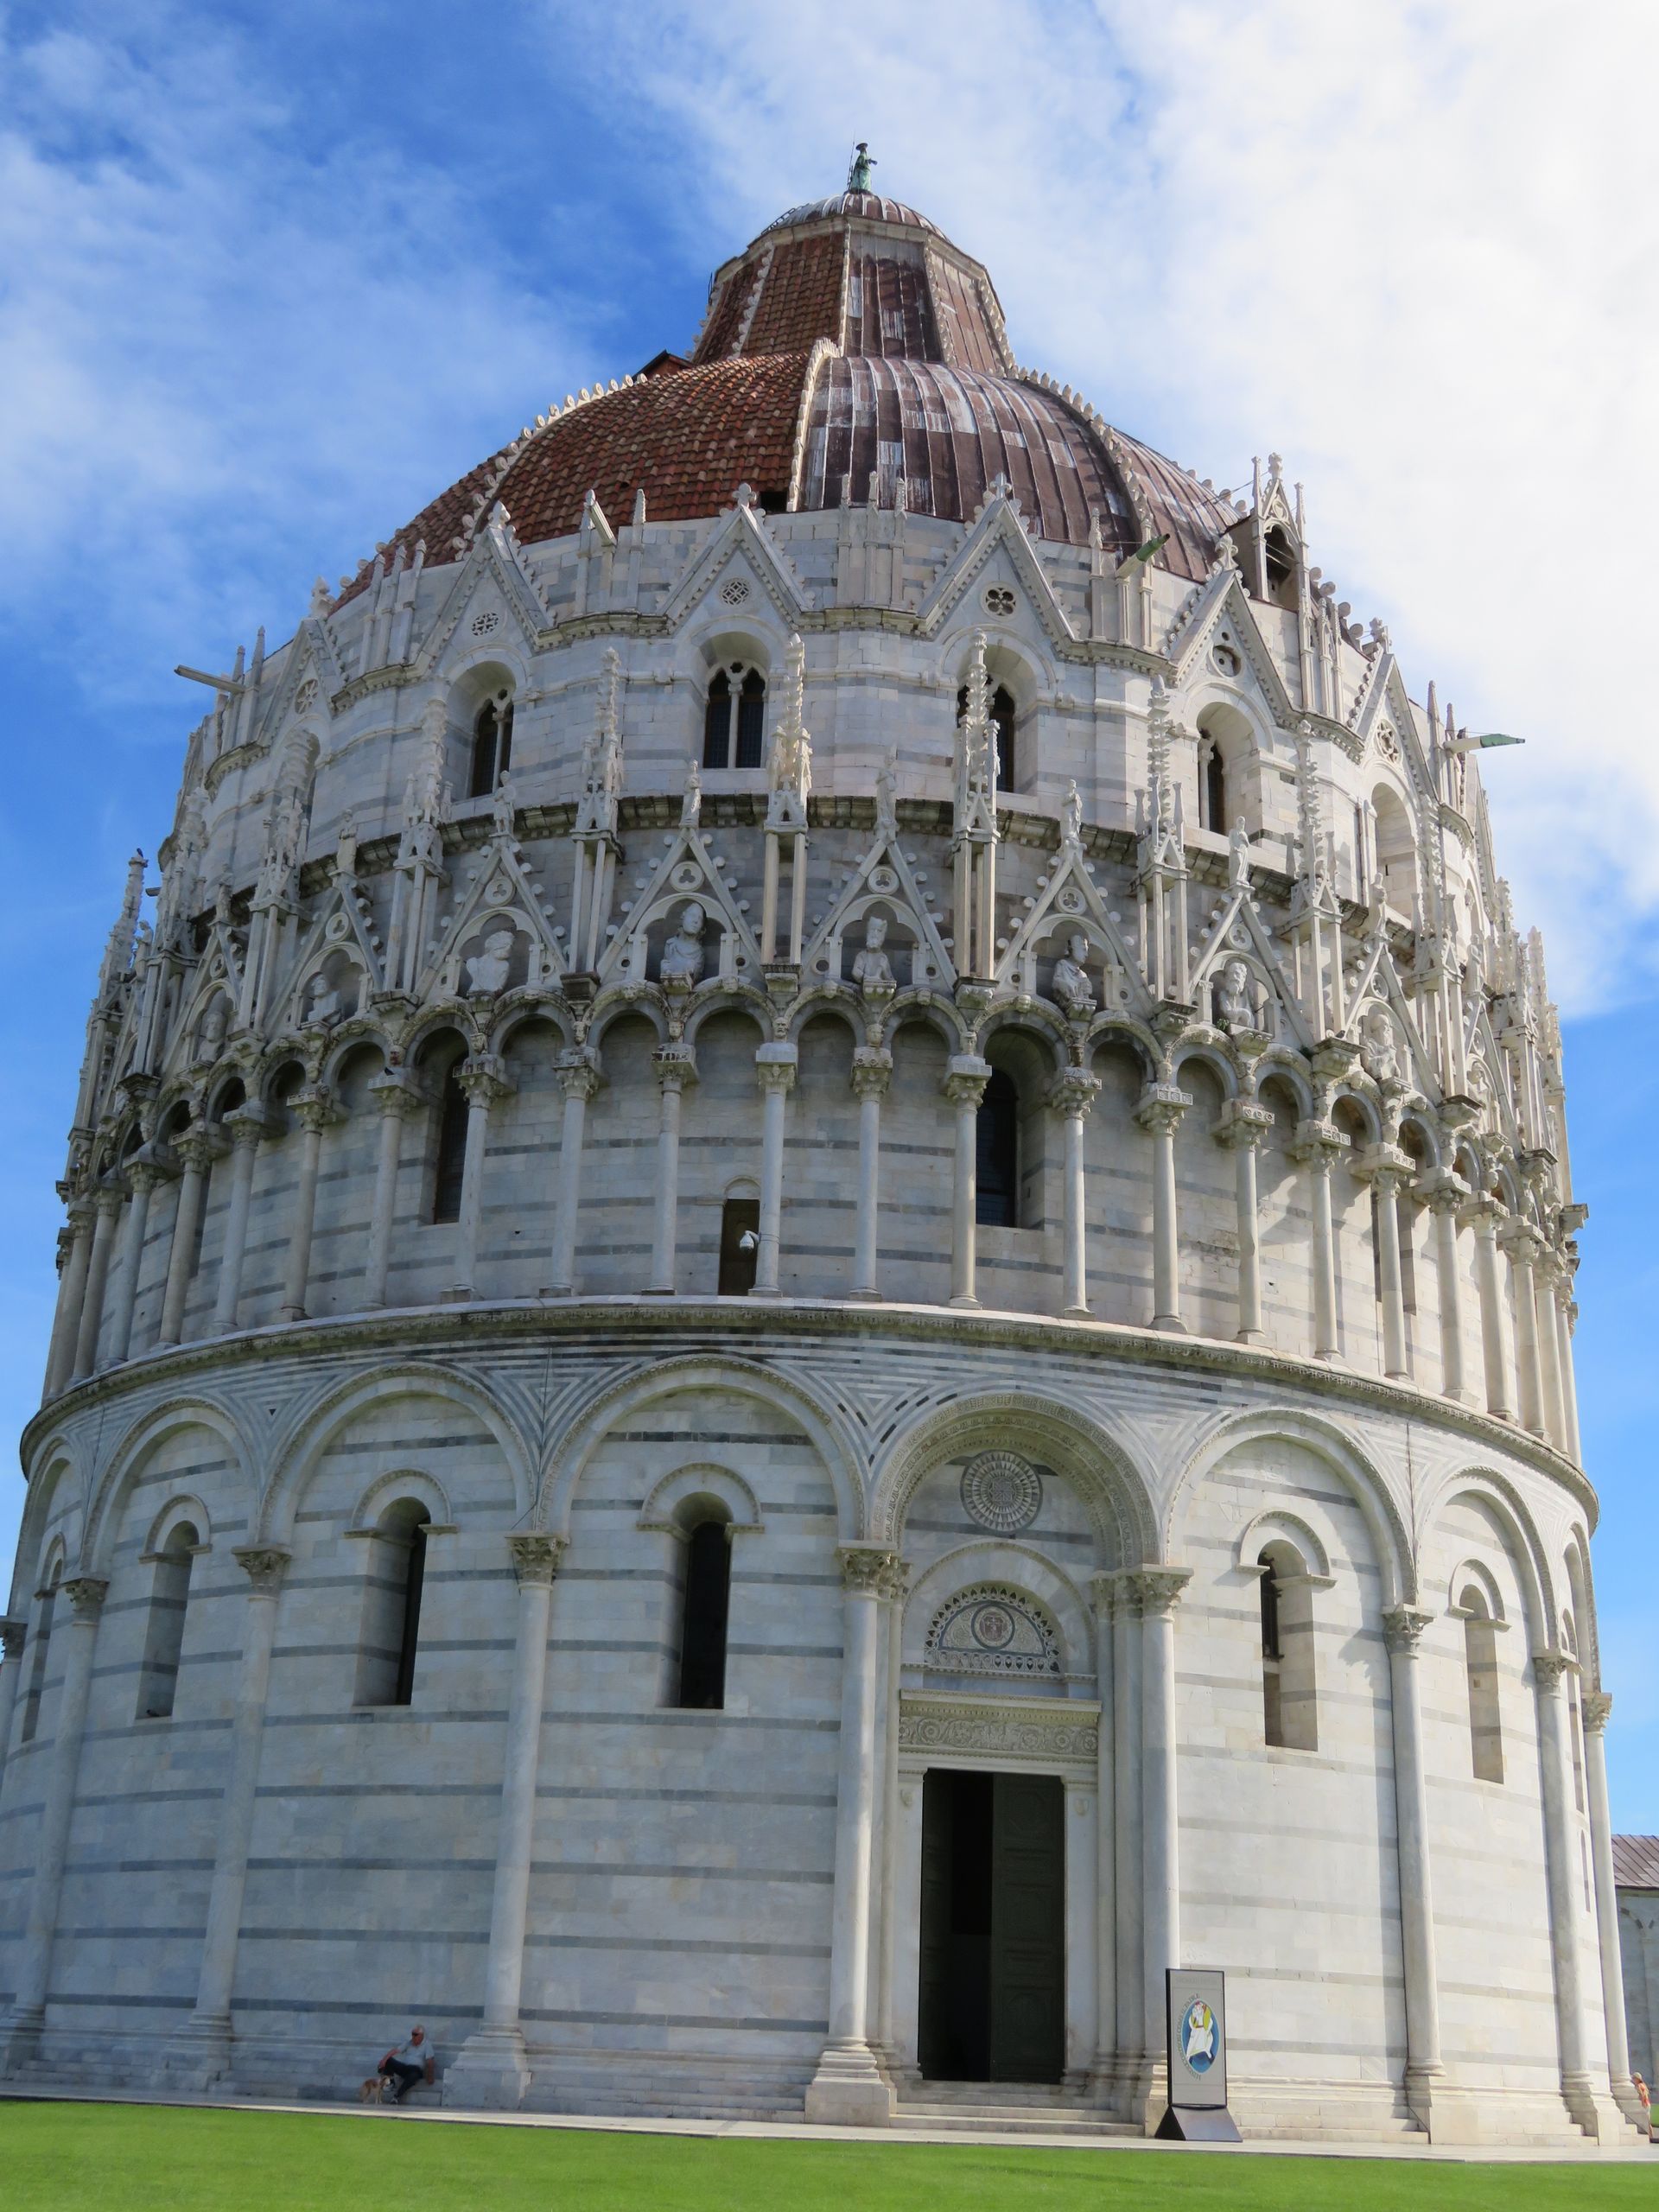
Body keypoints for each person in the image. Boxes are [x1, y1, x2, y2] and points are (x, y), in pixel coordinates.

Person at [378, 2024, 435, 2103]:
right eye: (412, 2034)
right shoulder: (409, 2043)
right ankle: (391, 2083)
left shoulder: (427, 2045)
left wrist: (430, 2076)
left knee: (413, 2076)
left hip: (416, 2070)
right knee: (389, 2060)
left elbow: (430, 2061)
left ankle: (396, 2097)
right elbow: (395, 2051)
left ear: (421, 2036)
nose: (413, 2037)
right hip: (405, 2068)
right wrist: (384, 2060)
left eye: (415, 2035)